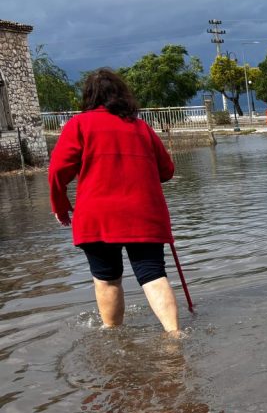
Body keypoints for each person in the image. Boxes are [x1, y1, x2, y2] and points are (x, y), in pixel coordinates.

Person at [48, 68, 181, 333]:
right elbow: (167, 171)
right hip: (143, 214)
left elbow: (57, 172)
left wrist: (61, 207)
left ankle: (113, 337)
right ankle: (175, 335)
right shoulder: (141, 127)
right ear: (122, 95)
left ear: (89, 96)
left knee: (107, 279)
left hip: (97, 217)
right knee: (153, 275)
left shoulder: (79, 125)